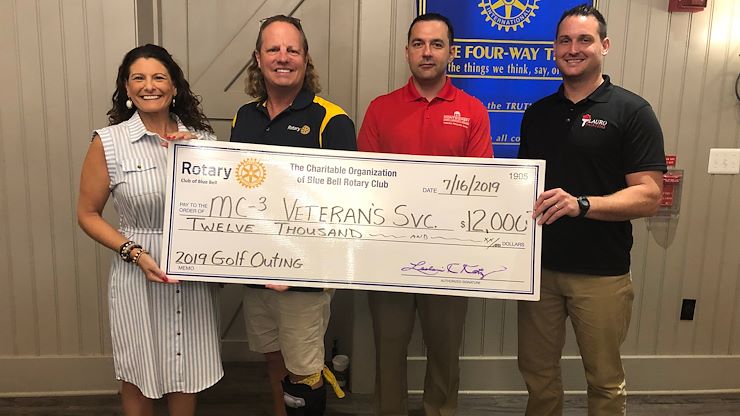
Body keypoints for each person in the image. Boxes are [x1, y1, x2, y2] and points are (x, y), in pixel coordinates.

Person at [516, 5, 666, 416]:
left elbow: (649, 195)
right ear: (554, 49)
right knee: (538, 376)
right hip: (539, 272)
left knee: (604, 380)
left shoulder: (632, 112)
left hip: (602, 273)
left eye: (584, 39)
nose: (573, 48)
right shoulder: (538, 114)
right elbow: (521, 190)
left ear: (605, 45)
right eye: (564, 40)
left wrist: (581, 205)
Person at [358, 13, 492, 416]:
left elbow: (481, 185)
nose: (427, 52)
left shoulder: (472, 111)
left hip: (450, 257)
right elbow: (366, 181)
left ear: (451, 52)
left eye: (436, 44)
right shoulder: (381, 109)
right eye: (418, 44)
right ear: (407, 52)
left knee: (445, 352)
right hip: (389, 254)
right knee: (388, 350)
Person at [77, 44, 222, 415]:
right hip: (136, 271)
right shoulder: (108, 143)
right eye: (137, 78)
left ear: (174, 87)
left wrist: (201, 161)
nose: (149, 85)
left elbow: (227, 212)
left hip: (191, 274)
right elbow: (88, 214)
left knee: (186, 369)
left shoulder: (204, 142)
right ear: (126, 89)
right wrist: (134, 253)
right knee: (137, 372)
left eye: (159, 77)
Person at [230, 15, 355, 416]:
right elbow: (235, 192)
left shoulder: (332, 120)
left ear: (305, 58)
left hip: (303, 279)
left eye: (292, 49)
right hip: (257, 272)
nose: (283, 57)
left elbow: (344, 210)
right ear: (258, 57)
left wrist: (299, 268)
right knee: (273, 361)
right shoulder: (243, 117)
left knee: (304, 372)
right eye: (273, 49)